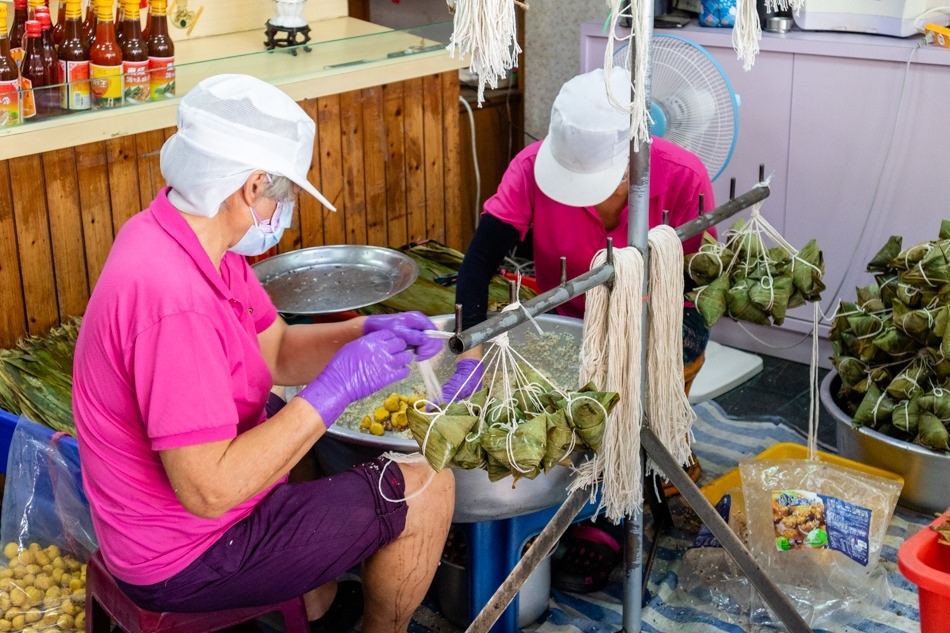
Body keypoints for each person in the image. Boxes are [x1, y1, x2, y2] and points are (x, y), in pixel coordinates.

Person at [72, 74, 455, 633]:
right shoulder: (174, 301)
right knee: (427, 485)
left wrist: (364, 332)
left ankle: (318, 603)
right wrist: (334, 390)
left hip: (163, 518)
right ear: (252, 187)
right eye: (285, 194)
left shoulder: (182, 236)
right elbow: (209, 491)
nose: (284, 209)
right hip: (183, 554)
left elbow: (274, 349)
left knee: (277, 410)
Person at [444, 66, 717, 594]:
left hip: (659, 328)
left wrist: (637, 331)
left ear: (632, 160)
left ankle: (614, 508)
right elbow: (477, 265)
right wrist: (469, 351)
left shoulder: (682, 177)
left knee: (629, 406)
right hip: (567, 323)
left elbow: (703, 289)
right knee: (555, 412)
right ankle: (554, 489)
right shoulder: (530, 169)